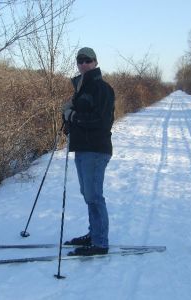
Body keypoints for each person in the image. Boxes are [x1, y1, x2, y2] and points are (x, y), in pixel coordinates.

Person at [62, 47, 115, 256]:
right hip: (83, 148)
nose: (83, 64)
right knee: (88, 195)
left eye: (87, 60)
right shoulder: (81, 88)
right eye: (80, 60)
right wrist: (67, 119)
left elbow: (102, 121)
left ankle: (100, 243)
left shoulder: (101, 88)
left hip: (96, 149)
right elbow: (77, 114)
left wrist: (73, 117)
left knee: (94, 196)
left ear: (95, 62)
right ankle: (94, 234)